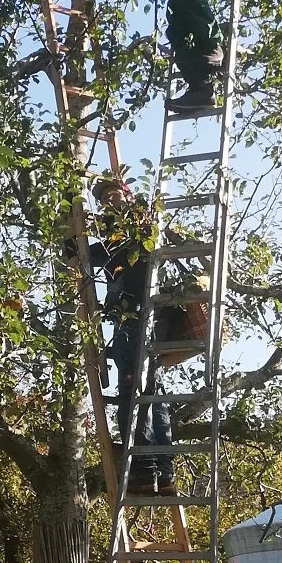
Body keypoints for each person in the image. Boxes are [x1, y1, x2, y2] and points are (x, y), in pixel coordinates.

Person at [88, 174, 173, 492]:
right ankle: (163, 472)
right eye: (103, 198)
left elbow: (121, 252)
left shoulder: (139, 222)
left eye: (114, 195)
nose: (109, 201)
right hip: (149, 314)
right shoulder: (130, 228)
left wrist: (85, 248)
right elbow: (113, 252)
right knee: (155, 392)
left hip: (137, 315)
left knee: (132, 393)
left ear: (126, 195)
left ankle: (143, 470)